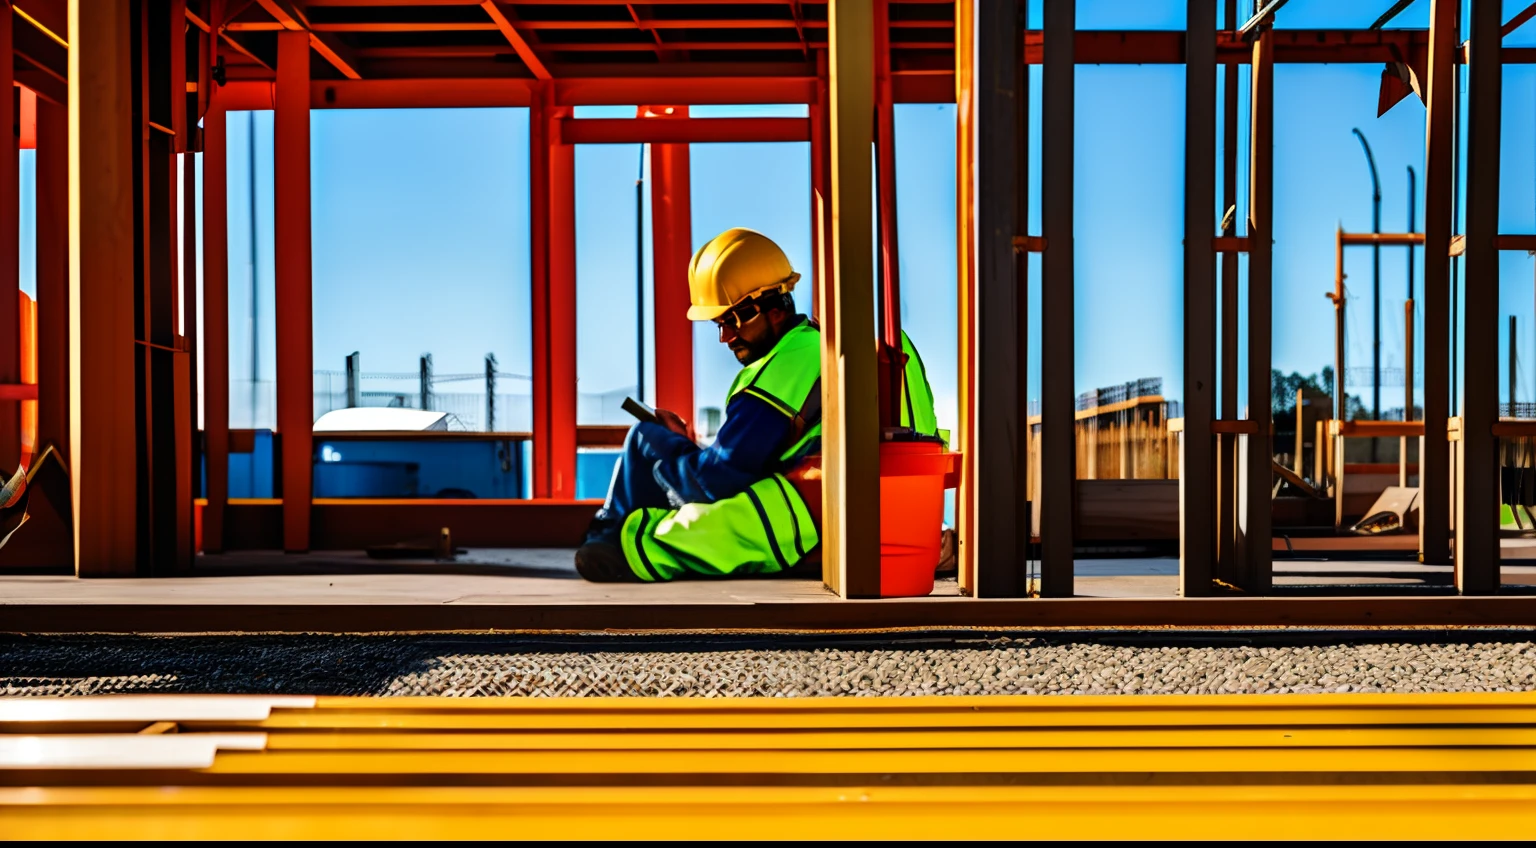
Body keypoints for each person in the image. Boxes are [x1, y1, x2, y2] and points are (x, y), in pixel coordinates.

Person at [575, 227, 940, 583]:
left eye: (734, 319)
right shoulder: (877, 345)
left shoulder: (792, 360)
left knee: (644, 439)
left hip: (799, 525)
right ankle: (610, 528)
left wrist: (671, 449)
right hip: (901, 524)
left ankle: (610, 532)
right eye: (719, 324)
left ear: (775, 309)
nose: (725, 337)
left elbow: (718, 479)